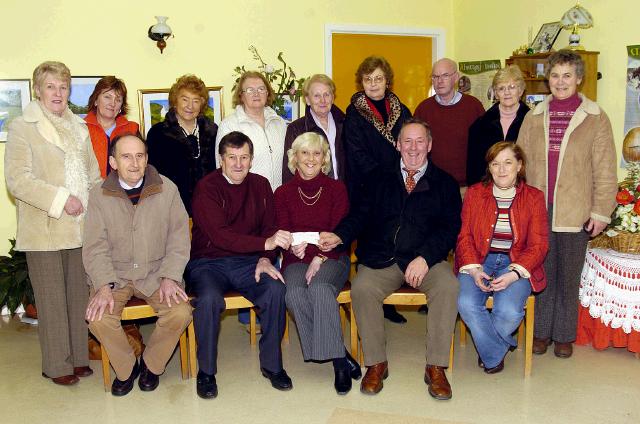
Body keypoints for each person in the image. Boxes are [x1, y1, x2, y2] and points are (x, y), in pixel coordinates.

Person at [319, 119, 461, 400]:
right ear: (397, 145)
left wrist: (425, 257)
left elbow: (449, 229)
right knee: (362, 288)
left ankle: (436, 366)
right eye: (407, 141)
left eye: (420, 141)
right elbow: (358, 216)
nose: (413, 147)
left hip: (425, 259)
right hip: (383, 258)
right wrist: (339, 236)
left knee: (449, 286)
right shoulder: (377, 179)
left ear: (430, 145)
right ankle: (375, 362)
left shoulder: (445, 183)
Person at [4, 61, 101, 386]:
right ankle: (56, 365)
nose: (58, 93)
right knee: (52, 300)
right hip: (44, 230)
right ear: (37, 90)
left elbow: (93, 175)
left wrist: (98, 206)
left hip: (79, 228)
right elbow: (18, 181)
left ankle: (78, 358)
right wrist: (62, 199)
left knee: (77, 296)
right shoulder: (23, 127)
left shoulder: (79, 128)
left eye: (63, 87)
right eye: (51, 87)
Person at [517, 50, 617, 358]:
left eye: (567, 75)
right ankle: (541, 332)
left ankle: (563, 335)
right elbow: (519, 161)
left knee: (568, 275)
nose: (560, 82)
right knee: (541, 273)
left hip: (576, 210)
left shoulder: (595, 118)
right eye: (555, 75)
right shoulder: (533, 116)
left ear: (579, 79)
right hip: (537, 209)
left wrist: (601, 211)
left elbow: (605, 168)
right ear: (548, 79)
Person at [186, 131, 293, 399]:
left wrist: (266, 259)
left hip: (250, 261)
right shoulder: (206, 187)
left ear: (251, 159)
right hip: (208, 262)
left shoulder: (261, 184)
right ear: (221, 160)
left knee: (276, 289)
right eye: (231, 157)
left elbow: (270, 228)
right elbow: (221, 236)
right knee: (209, 300)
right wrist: (265, 245)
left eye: (244, 157)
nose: (238, 164)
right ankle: (206, 372)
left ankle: (272, 365)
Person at [83, 133, 192, 396]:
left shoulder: (167, 188)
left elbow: (179, 238)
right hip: (115, 275)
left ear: (147, 159)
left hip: (157, 273)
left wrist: (170, 276)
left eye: (140, 156)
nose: (134, 163)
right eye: (126, 156)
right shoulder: (98, 194)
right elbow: (95, 245)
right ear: (113, 162)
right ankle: (127, 367)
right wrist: (103, 285)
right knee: (98, 319)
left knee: (180, 313)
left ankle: (152, 366)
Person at [274, 132, 360, 395]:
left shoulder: (337, 189)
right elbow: (282, 230)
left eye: (317, 153)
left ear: (324, 159)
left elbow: (338, 232)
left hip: (333, 257)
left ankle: (338, 365)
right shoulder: (283, 192)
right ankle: (339, 350)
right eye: (304, 153)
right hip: (296, 258)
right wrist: (290, 244)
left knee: (320, 288)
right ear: (295, 158)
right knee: (295, 292)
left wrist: (319, 257)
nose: (310, 158)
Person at [456, 142, 548, 373]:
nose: (501, 169)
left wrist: (514, 273)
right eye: (495, 164)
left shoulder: (534, 197)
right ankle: (496, 350)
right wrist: (475, 269)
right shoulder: (475, 194)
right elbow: (464, 236)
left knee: (508, 311)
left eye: (508, 162)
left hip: (516, 261)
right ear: (489, 167)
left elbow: (539, 244)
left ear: (520, 166)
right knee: (466, 303)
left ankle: (489, 350)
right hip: (479, 259)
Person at [343, 55, 412, 324]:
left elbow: (410, 143)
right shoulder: (354, 112)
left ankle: (388, 302)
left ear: (387, 81)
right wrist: (386, 176)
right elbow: (356, 153)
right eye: (368, 79)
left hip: (398, 189)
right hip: (367, 189)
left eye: (379, 78)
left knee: (392, 241)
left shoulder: (401, 109)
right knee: (369, 247)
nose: (373, 84)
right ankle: (367, 301)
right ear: (361, 82)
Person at [147, 74, 218, 216]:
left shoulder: (213, 131)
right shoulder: (158, 133)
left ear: (202, 104)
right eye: (184, 99)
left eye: (195, 101)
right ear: (175, 101)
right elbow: (152, 176)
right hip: (171, 209)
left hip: (209, 208)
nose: (189, 106)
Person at [414, 58, 485, 187]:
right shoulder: (423, 109)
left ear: (456, 77)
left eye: (445, 75)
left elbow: (484, 148)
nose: (439, 81)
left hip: (467, 187)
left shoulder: (474, 106)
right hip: (432, 186)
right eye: (435, 77)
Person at [215, 71, 287, 191]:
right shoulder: (229, 125)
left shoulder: (279, 123)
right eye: (250, 90)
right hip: (247, 199)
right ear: (241, 96)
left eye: (261, 89)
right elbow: (222, 168)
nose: (256, 94)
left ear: (267, 93)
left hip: (279, 199)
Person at [466, 66, 530, 186]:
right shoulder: (480, 125)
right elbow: (473, 168)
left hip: (523, 190)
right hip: (488, 191)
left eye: (512, 87)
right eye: (501, 88)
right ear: (495, 93)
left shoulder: (532, 122)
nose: (506, 92)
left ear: (520, 91)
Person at [282, 74, 346, 183]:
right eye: (317, 96)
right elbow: (289, 171)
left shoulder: (345, 124)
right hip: (311, 195)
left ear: (333, 98)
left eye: (327, 94)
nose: (323, 100)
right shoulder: (296, 129)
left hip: (343, 193)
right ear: (307, 100)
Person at [84, 76, 139, 178]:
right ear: (95, 100)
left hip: (125, 191)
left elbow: (141, 166)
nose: (112, 103)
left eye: (118, 100)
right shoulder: (81, 129)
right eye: (107, 97)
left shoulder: (132, 130)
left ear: (121, 107)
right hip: (90, 191)